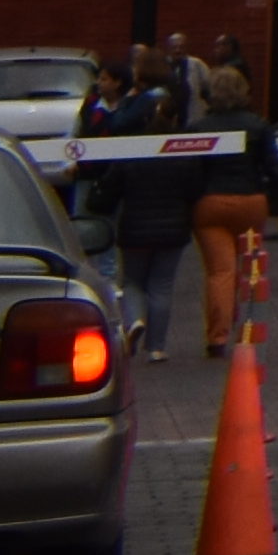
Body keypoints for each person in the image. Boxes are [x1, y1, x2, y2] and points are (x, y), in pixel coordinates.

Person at [96, 48, 208, 362]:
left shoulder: (131, 155)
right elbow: (194, 190)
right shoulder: (184, 155)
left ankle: (135, 320)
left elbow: (111, 190)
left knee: (132, 281)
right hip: (173, 230)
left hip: (134, 228)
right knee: (162, 285)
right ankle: (157, 347)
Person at [189, 64, 278, 358]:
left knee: (220, 272)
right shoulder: (258, 125)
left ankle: (218, 336)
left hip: (212, 204)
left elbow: (190, 172)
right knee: (250, 267)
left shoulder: (199, 128)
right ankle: (249, 330)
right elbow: (273, 168)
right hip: (251, 203)